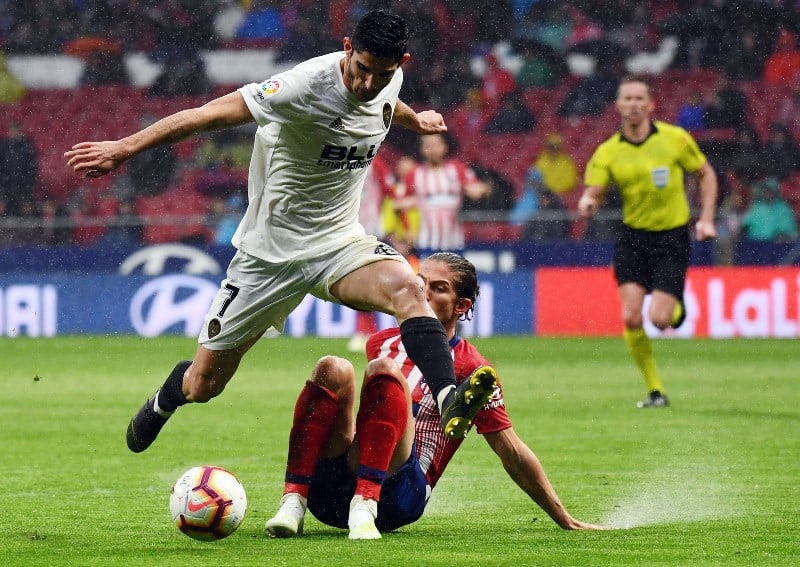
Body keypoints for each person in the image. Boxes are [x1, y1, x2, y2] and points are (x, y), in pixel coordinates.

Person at [64, 10, 491, 452]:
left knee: (409, 287)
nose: (367, 83)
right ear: (347, 49)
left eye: (381, 74)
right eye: (361, 69)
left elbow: (383, 104)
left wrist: (414, 120)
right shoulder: (303, 86)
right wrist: (124, 147)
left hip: (338, 243)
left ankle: (446, 398)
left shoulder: (387, 81)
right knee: (204, 384)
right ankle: (166, 397)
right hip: (268, 256)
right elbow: (207, 115)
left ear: (400, 64)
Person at [265, 252, 607, 539]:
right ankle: (294, 500)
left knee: (384, 371)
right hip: (336, 492)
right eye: (419, 282)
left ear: (462, 305)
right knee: (332, 367)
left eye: (438, 288)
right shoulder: (382, 341)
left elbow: (512, 452)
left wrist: (564, 517)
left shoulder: (474, 370)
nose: (422, 293)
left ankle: (366, 503)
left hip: (399, 496)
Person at [577, 76, 718, 408]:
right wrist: (587, 203)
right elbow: (593, 192)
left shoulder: (675, 140)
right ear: (619, 106)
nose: (634, 104)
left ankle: (676, 307)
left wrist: (707, 217)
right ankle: (656, 390)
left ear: (651, 104)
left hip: (671, 236)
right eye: (628, 98)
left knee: (660, 319)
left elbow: (706, 174)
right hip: (633, 238)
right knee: (630, 317)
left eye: (640, 98)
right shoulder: (608, 152)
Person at [404, 132, 480, 252]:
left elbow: (477, 189)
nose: (433, 149)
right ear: (422, 149)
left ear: (445, 147)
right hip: (425, 241)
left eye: (436, 145)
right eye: (428, 146)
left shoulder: (457, 169)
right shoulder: (414, 174)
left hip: (454, 241)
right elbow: (398, 203)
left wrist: (479, 190)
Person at [740, 176, 798, 242]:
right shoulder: (756, 207)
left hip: (777, 245)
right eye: (765, 191)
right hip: (757, 243)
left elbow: (790, 229)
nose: (767, 193)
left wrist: (783, 235)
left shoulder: (783, 208)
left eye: (770, 191)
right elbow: (745, 223)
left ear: (775, 192)